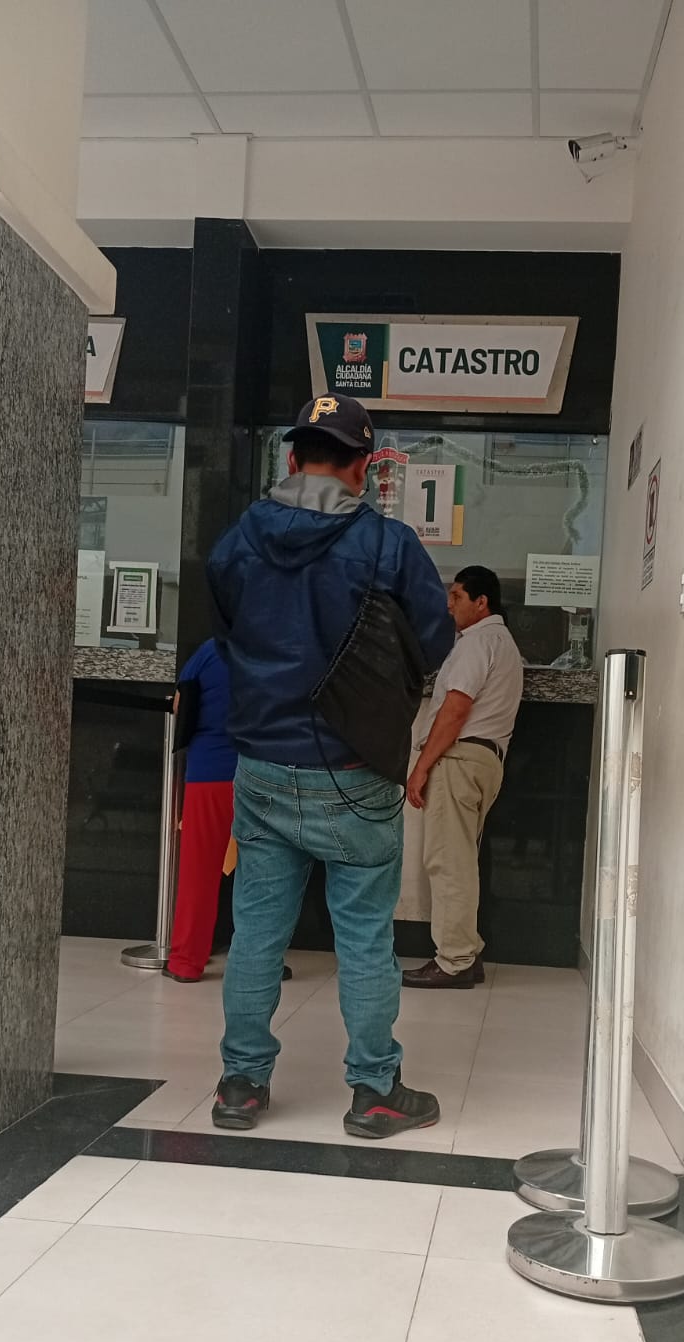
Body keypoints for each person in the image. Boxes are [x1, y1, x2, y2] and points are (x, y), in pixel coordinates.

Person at [206, 395, 456, 1138]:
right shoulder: (388, 544)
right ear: (364, 468)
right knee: (365, 937)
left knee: (256, 935)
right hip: (354, 767)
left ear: (292, 458)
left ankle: (241, 1086)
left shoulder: (240, 540)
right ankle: (374, 1091)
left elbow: (224, 632)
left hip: (262, 765)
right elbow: (435, 641)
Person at [403, 566, 523, 991]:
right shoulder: (503, 643)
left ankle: (453, 961)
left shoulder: (477, 642)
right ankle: (466, 954)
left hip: (459, 759)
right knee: (461, 861)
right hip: (485, 760)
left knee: (447, 862)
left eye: (457, 596)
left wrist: (421, 766)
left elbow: (456, 709)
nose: (449, 605)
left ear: (481, 602)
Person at [165, 638, 292, 986]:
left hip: (208, 773)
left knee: (198, 871)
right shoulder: (276, 648)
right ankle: (262, 963)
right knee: (265, 874)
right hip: (263, 773)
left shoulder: (209, 651)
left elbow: (180, 704)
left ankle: (186, 962)